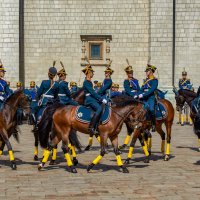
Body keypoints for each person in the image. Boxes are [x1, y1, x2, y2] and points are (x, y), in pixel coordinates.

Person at [82, 65, 107, 135]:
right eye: (92, 72)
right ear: (89, 73)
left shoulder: (89, 82)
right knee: (99, 108)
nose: (93, 74)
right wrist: (101, 99)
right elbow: (92, 92)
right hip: (89, 99)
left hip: (91, 98)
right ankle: (91, 127)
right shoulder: (86, 82)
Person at [135, 64, 158, 132]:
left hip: (150, 97)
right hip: (144, 98)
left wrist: (143, 95)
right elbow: (142, 89)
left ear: (150, 71)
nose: (146, 72)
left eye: (147, 71)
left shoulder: (154, 80)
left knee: (151, 109)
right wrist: (137, 94)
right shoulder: (146, 80)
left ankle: (154, 124)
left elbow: (151, 90)